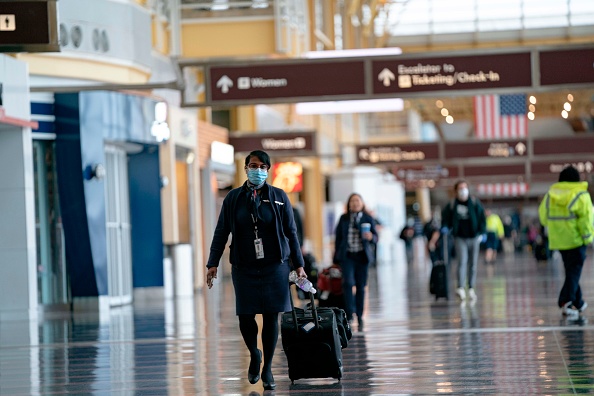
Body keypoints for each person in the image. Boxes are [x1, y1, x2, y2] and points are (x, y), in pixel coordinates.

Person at [205, 150, 306, 391]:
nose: (257, 170)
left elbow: (292, 234)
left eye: (262, 166)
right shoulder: (233, 199)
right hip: (244, 266)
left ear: (268, 170)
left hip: (275, 266)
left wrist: (299, 265)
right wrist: (212, 263)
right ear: (245, 168)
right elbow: (221, 232)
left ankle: (268, 367)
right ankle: (254, 353)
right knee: (246, 316)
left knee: (272, 316)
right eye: (252, 165)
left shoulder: (279, 197)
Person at [538, 165, 594, 318]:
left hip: (558, 241)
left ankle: (579, 302)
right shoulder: (581, 195)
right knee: (573, 272)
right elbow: (586, 219)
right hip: (576, 240)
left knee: (571, 271)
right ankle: (566, 301)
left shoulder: (550, 195)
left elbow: (543, 217)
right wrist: (588, 237)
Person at [333, 193, 378, 330]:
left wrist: (370, 236)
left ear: (362, 203)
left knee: (360, 285)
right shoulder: (344, 218)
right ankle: (349, 313)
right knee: (347, 283)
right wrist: (336, 256)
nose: (355, 203)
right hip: (347, 256)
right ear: (349, 204)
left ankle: (359, 315)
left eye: (357, 201)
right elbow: (338, 238)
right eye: (352, 201)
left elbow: (376, 237)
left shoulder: (367, 218)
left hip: (362, 256)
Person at [441, 180, 486, 301]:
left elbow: (482, 218)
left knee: (473, 264)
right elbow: (445, 218)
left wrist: (482, 232)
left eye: (465, 188)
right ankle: (460, 287)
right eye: (460, 188)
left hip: (474, 237)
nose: (463, 190)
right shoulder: (451, 205)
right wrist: (445, 227)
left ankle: (471, 288)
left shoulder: (475, 203)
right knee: (462, 261)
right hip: (459, 237)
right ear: (456, 191)